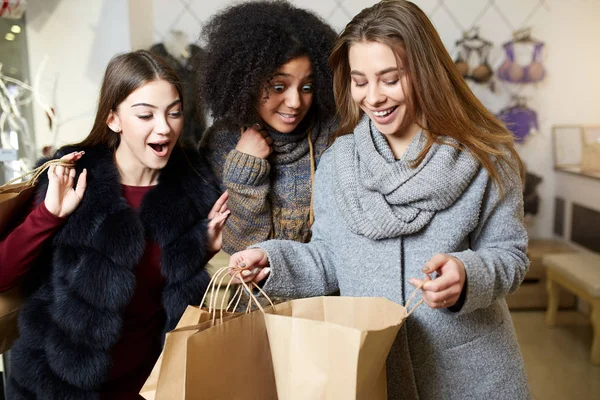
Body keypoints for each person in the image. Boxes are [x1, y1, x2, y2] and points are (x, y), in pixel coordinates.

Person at [228, 1, 531, 399]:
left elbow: (511, 255)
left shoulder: (486, 157)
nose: (373, 98)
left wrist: (467, 273)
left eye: (390, 79)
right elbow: (328, 258)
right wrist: (271, 260)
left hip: (471, 376)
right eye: (360, 81)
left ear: (425, 73)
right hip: (372, 372)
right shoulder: (339, 161)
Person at [0, 50, 229, 399]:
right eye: (145, 115)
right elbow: (4, 275)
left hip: (152, 386)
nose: (164, 127)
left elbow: (174, 299)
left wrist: (201, 248)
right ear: (113, 119)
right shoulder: (71, 177)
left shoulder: (194, 187)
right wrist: (49, 214)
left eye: (174, 112)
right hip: (57, 387)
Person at [198, 0, 338, 254]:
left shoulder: (334, 136)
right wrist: (244, 169)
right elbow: (239, 249)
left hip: (324, 294)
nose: (295, 102)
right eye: (279, 87)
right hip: (248, 293)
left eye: (307, 87)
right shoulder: (221, 143)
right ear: (247, 80)